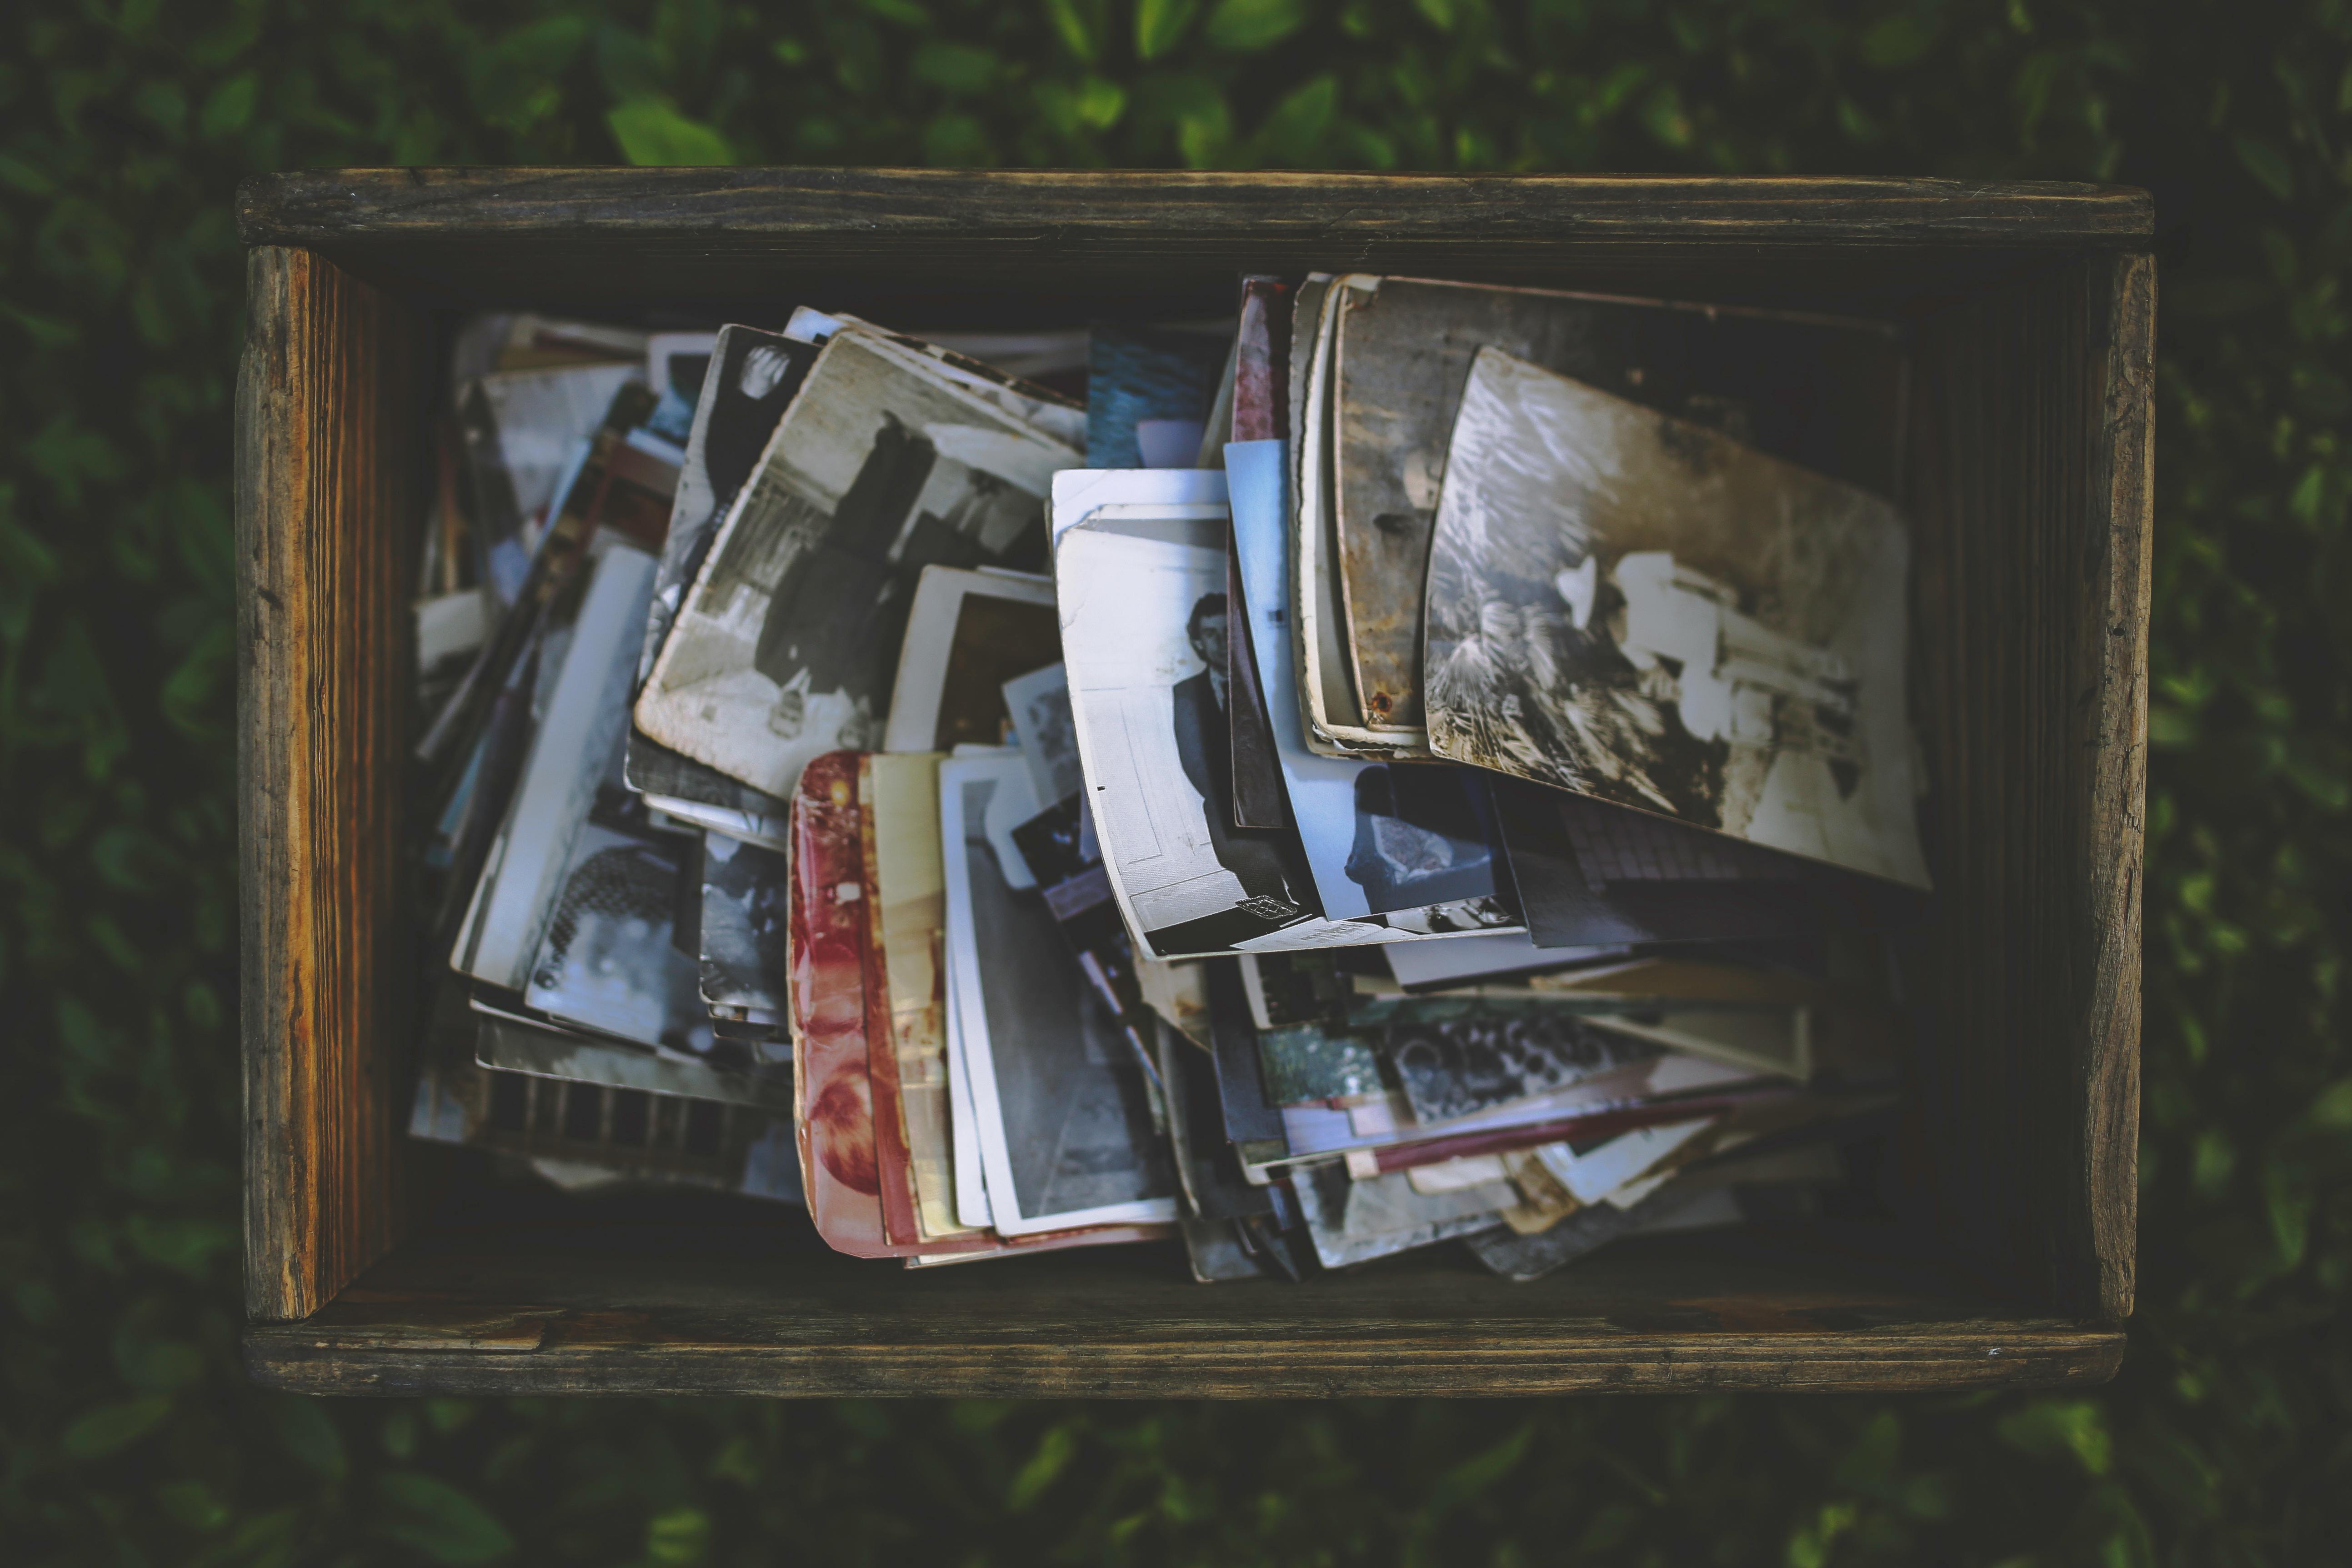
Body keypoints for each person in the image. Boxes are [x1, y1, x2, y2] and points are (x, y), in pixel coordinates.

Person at [1169, 593, 1302, 915]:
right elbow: (1194, 763)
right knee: (1273, 908)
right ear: (1199, 643)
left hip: (1288, 812)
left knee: (1312, 895)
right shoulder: (1187, 694)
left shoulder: (1265, 677)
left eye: (1226, 632)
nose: (1220, 642)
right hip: (1234, 823)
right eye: (1210, 635)